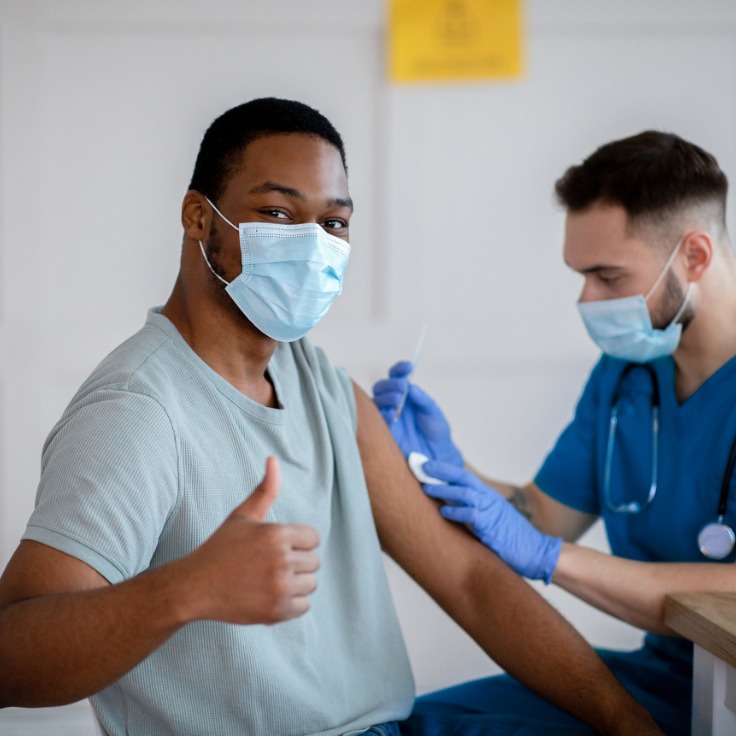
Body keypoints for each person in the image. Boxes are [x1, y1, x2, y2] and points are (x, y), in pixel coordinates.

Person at [0, 98, 661, 736]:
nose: (312, 245)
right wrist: (184, 591)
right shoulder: (139, 411)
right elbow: (11, 662)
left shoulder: (321, 385)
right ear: (199, 218)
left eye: (334, 223)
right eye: (278, 213)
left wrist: (629, 723)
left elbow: (469, 581)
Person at [373, 130, 736, 736]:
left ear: (694, 256)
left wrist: (551, 560)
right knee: (405, 727)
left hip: (727, 691)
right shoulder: (625, 377)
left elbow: (541, 545)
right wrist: (439, 464)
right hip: (664, 675)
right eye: (581, 276)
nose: (586, 299)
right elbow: (540, 516)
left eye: (608, 276)